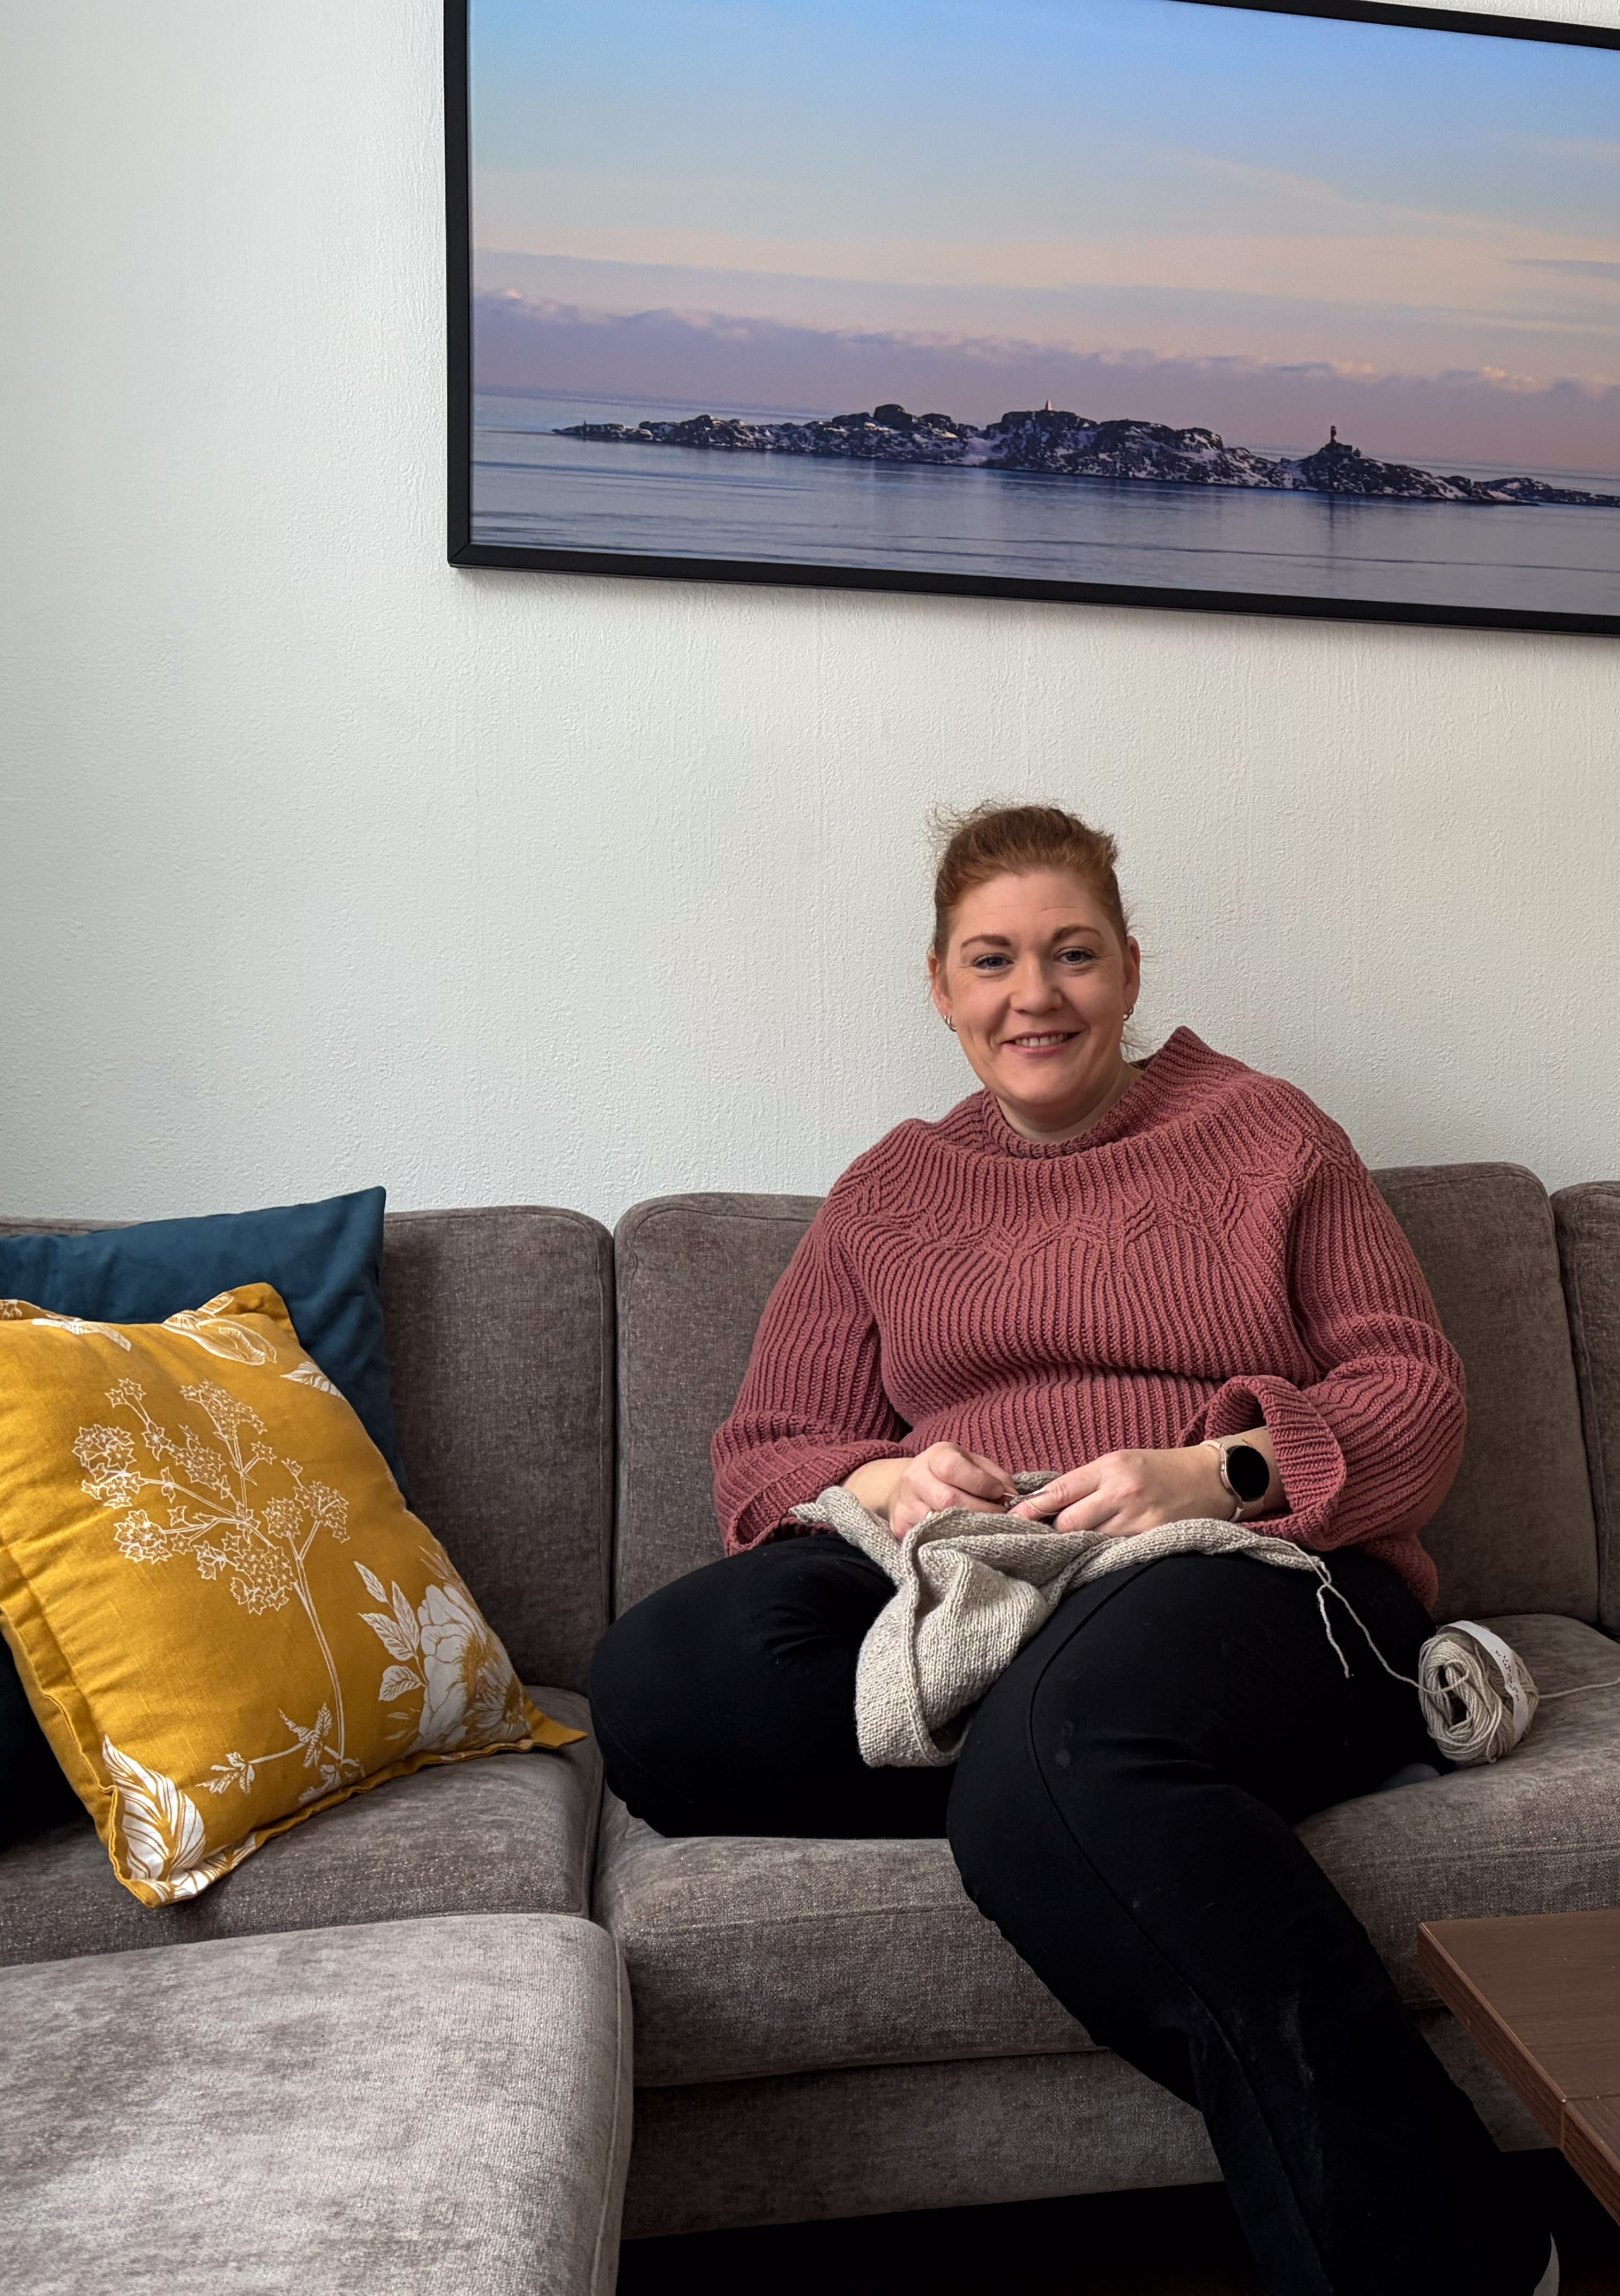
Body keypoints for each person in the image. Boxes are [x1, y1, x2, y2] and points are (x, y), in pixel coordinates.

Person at [587, 803, 1553, 2296]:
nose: (1033, 995)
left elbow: (1413, 1396)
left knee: (1060, 1762)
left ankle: (1456, 2262)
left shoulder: (1272, 1137)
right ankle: (1088, 1789)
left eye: (1073, 954)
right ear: (940, 987)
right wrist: (888, 1477)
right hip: (985, 1574)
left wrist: (1209, 1472)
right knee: (660, 1686)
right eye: (992, 960)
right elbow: (766, 1445)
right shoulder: (890, 1192)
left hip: (1247, 1565)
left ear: (1131, 967)